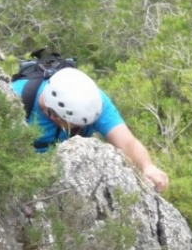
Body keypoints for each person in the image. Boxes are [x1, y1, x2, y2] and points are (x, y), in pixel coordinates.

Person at [11, 65, 170, 193]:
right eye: (74, 124)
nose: (81, 128)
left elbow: (128, 143)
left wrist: (147, 166)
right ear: (55, 116)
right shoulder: (16, 96)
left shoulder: (93, 103)